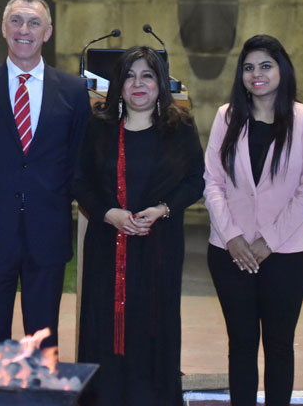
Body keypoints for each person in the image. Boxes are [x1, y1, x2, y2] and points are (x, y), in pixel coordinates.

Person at [0, 0, 90, 351]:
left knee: (42, 344)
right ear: (3, 28)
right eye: (16, 21)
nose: (24, 30)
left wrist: (54, 197)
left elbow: (81, 160)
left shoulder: (73, 91)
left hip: (48, 233)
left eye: (33, 23)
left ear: (47, 32)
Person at [73, 46, 204, 405]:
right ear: (119, 84)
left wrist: (163, 209)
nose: (138, 84)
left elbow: (195, 180)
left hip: (158, 246)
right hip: (106, 245)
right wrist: (107, 213)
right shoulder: (99, 127)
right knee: (104, 327)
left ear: (160, 83)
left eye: (147, 75)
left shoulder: (180, 128)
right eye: (129, 76)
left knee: (153, 326)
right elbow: (79, 180)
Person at [204, 34, 303, 406]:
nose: (256, 74)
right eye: (248, 68)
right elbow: (212, 181)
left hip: (287, 254)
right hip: (229, 253)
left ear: (282, 70)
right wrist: (232, 237)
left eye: (265, 66)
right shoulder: (227, 116)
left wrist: (268, 240)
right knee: (241, 344)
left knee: (279, 345)